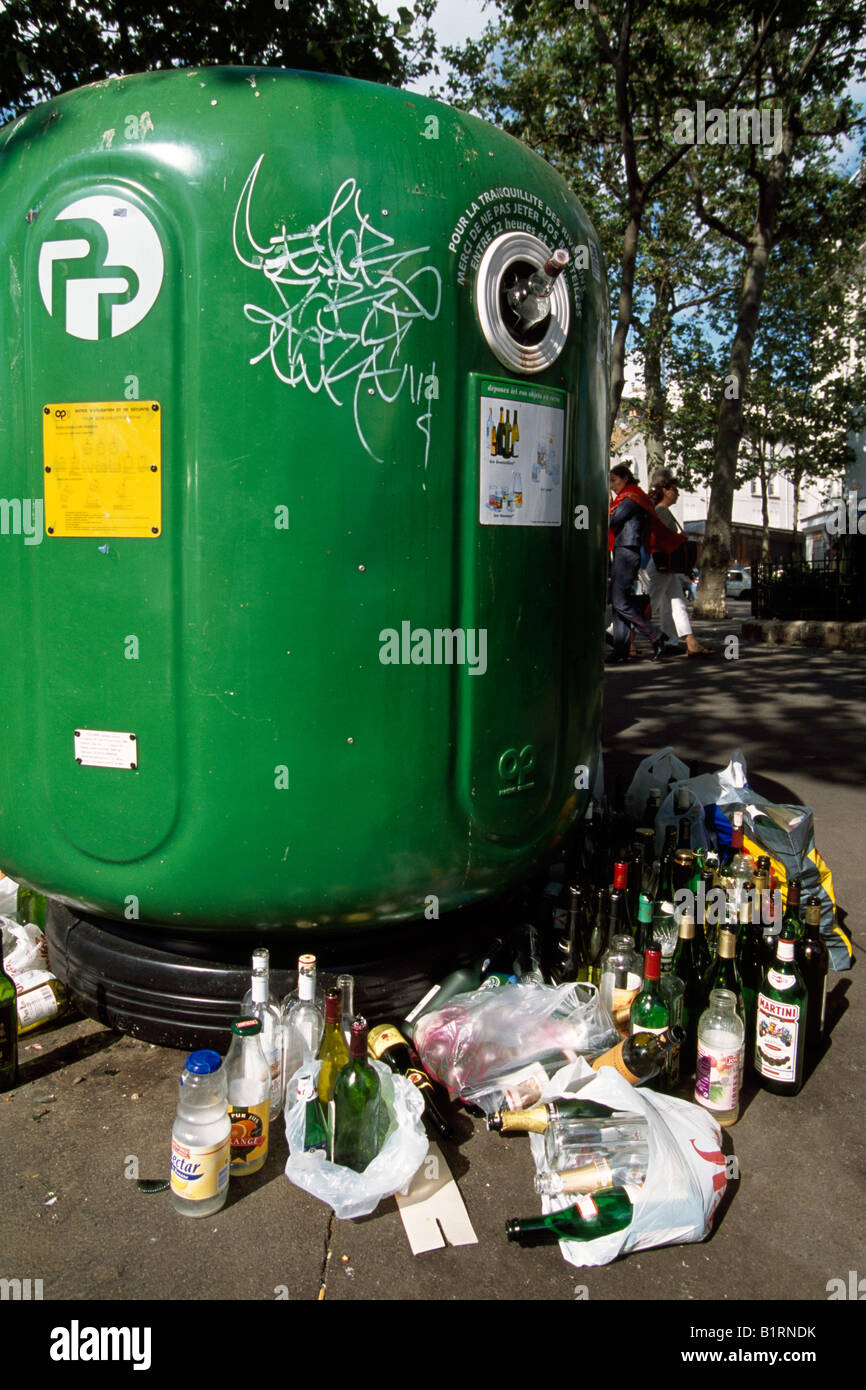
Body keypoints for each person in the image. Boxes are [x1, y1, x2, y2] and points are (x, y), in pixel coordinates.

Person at [646, 470, 715, 658]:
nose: (677, 493)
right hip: (662, 565)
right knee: (651, 603)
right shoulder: (662, 511)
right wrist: (680, 538)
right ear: (666, 491)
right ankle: (619, 635)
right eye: (674, 490)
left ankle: (682, 642)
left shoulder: (661, 511)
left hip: (664, 565)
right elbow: (661, 540)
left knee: (677, 604)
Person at [607, 464, 667, 664]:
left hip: (626, 551)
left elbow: (612, 519)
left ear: (625, 479)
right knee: (619, 602)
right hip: (625, 550)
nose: (612, 485)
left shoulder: (630, 498)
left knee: (620, 601)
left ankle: (655, 634)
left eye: (614, 480)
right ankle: (621, 649)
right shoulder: (632, 496)